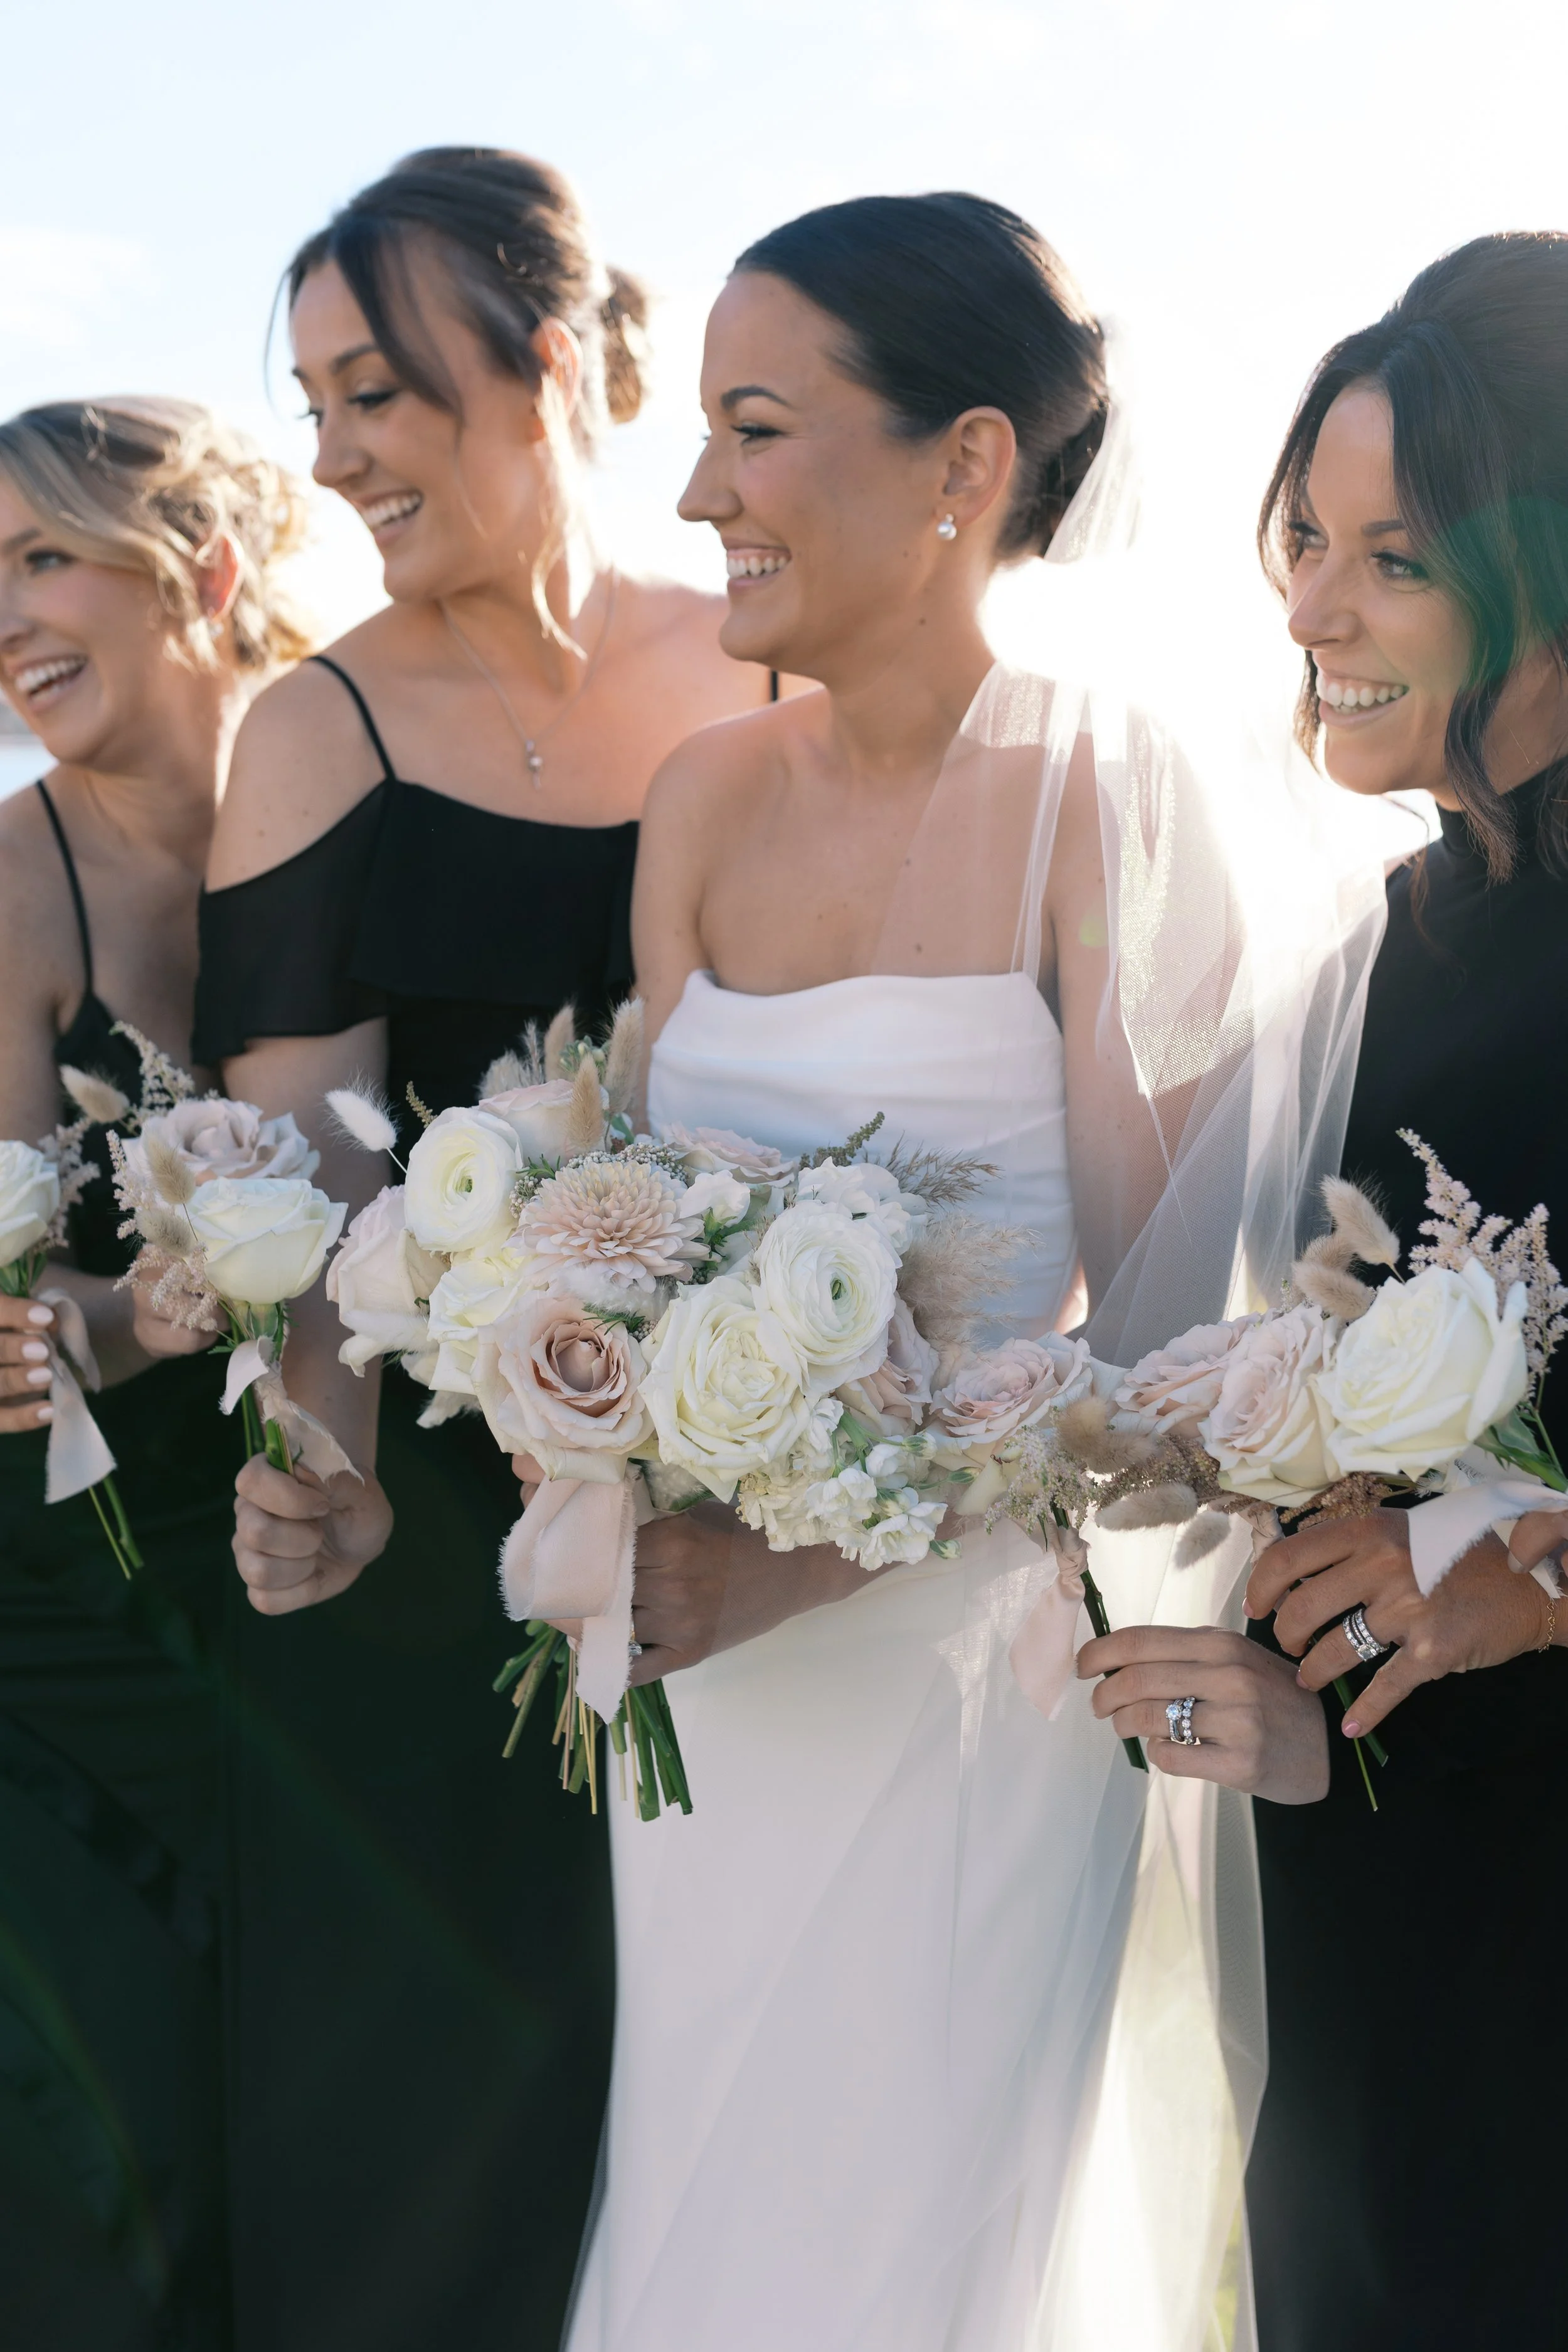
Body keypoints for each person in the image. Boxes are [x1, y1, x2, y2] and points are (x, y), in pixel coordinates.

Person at [558, 194, 1365, 2352]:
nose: (696, 491)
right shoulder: (700, 801)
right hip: (701, 1708)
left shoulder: (1097, 798)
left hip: (954, 1696)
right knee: (690, 2245)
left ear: (964, 465)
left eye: (752, 426)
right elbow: (618, 1235)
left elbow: (1177, 1361)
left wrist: (804, 1569)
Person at [193, 148, 784, 2351]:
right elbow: (307, 1186)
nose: (332, 455)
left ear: (542, 366)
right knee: (424, 2165)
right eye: (315, 403)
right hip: (433, 1574)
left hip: (750, 1520)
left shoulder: (749, 669)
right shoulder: (313, 725)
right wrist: (316, 1458)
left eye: (380, 395)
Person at [1234, 235, 1568, 2352]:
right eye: (1300, 545)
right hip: (1386, 1845)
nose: (1314, 615)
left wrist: (1512, 1570)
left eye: (1390, 560)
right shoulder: (1394, 932)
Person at [0, 396, 310, 2347]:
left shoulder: (352, 786)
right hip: (76, 1614)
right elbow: (14, 1315)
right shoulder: (13, 880)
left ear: (195, 564)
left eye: (39, 556)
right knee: (126, 2161)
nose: (4, 616)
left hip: (359, 1571)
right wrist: (146, 1309)